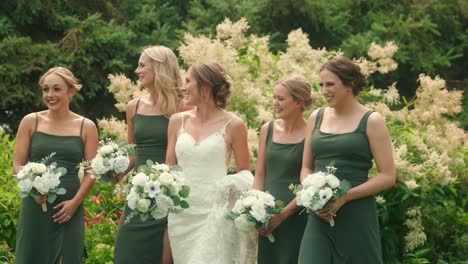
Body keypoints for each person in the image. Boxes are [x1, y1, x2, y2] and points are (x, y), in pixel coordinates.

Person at [298, 55, 396, 263]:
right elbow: (306, 167)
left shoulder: (372, 121)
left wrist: (345, 197)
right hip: (319, 215)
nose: (324, 91)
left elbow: (388, 176)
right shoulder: (316, 117)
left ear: (349, 84)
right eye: (321, 84)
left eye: (330, 84)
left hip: (356, 215)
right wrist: (311, 194)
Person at [166, 62, 257, 264]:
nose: (183, 87)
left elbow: (245, 174)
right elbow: (168, 170)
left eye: (188, 81)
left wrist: (229, 190)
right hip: (181, 215)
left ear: (205, 88)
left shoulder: (234, 124)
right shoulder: (176, 121)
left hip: (214, 214)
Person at [13, 66, 99, 264]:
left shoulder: (86, 126)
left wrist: (75, 203)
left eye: (56, 89)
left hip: (68, 207)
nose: (50, 95)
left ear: (71, 91)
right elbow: (17, 165)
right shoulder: (30, 122)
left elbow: (91, 170)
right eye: (45, 89)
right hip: (35, 205)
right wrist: (33, 189)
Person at [113, 45, 183, 264]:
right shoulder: (133, 107)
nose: (137, 71)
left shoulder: (184, 105)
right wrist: (118, 168)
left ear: (160, 68)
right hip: (140, 191)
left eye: (142, 65)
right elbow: (134, 151)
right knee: (126, 250)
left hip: (174, 193)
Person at [253, 74, 312, 264]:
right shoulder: (267, 129)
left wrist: (283, 214)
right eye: (274, 98)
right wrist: (253, 209)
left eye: (281, 98)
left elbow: (310, 182)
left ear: (298, 102)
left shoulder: (311, 134)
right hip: (266, 216)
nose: (275, 103)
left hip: (295, 216)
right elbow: (260, 174)